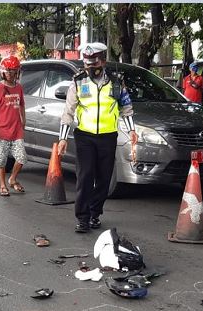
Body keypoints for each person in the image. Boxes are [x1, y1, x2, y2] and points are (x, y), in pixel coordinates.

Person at [58, 42, 137, 233]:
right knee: (85, 177)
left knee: (104, 179)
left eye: (93, 64)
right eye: (86, 64)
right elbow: (68, 112)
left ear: (103, 61)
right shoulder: (78, 82)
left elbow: (126, 108)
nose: (89, 68)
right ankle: (83, 218)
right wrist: (62, 138)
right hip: (85, 136)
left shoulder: (117, 82)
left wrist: (132, 131)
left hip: (108, 137)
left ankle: (95, 214)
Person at [0, 55, 27, 196]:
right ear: (3, 72)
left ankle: (12, 179)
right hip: (1, 131)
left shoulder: (19, 88)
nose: (10, 74)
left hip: (16, 130)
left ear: (17, 72)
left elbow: (21, 104)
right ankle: (2, 185)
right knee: (1, 160)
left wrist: (23, 120)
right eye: (8, 71)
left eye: (13, 71)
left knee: (21, 157)